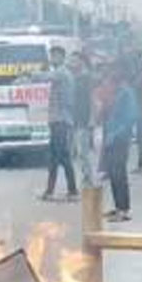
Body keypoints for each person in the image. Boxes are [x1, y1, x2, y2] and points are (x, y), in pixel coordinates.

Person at [102, 63, 138, 222]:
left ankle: (124, 209)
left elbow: (130, 118)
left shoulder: (126, 94)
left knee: (119, 174)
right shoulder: (116, 93)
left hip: (120, 139)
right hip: (112, 137)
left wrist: (116, 134)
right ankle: (118, 207)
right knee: (113, 174)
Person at [42, 46, 77, 201]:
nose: (52, 59)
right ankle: (54, 190)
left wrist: (28, 74)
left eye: (55, 56)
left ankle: (69, 190)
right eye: (52, 56)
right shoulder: (62, 73)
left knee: (60, 156)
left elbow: (44, 77)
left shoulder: (61, 73)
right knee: (58, 156)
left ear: (62, 57)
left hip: (61, 121)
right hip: (58, 120)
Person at [69, 52, 98, 191]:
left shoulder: (86, 78)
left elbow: (92, 98)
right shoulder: (72, 78)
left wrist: (92, 118)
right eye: (71, 61)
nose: (72, 63)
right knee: (77, 151)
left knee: (83, 151)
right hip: (74, 118)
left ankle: (88, 178)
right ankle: (85, 177)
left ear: (81, 62)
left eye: (75, 61)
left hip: (84, 118)